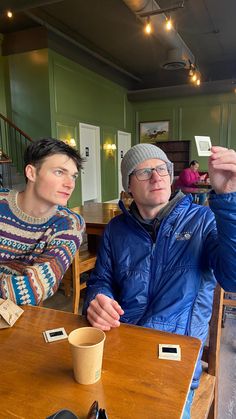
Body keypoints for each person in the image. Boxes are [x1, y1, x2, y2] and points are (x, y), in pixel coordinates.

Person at [83, 143, 236, 418]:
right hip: (121, 347)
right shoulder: (116, 229)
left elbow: (233, 278)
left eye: (162, 169)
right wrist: (97, 299)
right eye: (144, 172)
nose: (157, 177)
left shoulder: (203, 221)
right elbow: (101, 280)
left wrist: (229, 200)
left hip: (175, 359)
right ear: (128, 186)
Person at [0, 137, 85, 306]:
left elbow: (33, 290)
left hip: (18, 315)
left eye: (73, 176)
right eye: (59, 172)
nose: (70, 184)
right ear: (31, 173)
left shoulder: (69, 224)